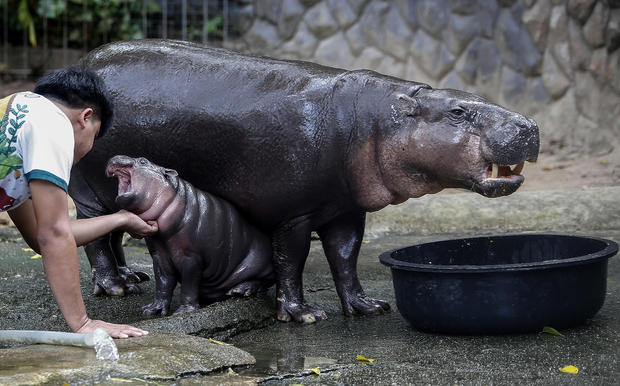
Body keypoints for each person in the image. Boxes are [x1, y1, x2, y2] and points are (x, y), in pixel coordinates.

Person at [0, 67, 158, 338]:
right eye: (94, 138)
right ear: (85, 117)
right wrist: (83, 323)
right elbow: (54, 235)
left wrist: (121, 218)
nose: (88, 149)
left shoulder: (19, 113)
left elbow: (43, 236)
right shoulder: (53, 123)